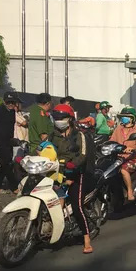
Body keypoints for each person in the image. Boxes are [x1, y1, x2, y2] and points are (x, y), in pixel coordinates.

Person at [49, 104, 96, 254]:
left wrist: (73, 165)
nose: (58, 120)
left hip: (76, 172)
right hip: (57, 172)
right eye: (56, 117)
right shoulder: (53, 135)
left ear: (69, 119)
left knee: (77, 206)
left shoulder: (79, 135)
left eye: (61, 118)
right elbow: (44, 148)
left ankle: (86, 239)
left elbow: (83, 155)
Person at [0, 91, 23, 195]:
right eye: (8, 102)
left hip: (8, 142)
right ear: (4, 101)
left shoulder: (12, 112)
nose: (10, 104)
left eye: (12, 102)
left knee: (5, 164)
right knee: (7, 164)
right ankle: (14, 187)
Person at [109, 107, 136, 202]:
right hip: (118, 158)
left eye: (126, 116)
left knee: (123, 170)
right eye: (122, 116)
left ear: (132, 119)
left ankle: (130, 191)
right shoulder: (118, 129)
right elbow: (112, 140)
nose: (123, 118)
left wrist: (132, 148)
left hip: (132, 159)